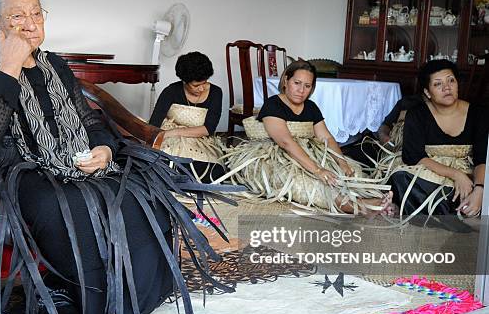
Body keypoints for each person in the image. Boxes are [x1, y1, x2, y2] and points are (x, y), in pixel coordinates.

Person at [0, 0, 232, 314]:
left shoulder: (56, 66)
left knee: (141, 192)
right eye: (18, 16)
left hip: (78, 160)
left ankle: (138, 295)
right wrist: (10, 64)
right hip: (23, 172)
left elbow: (89, 119)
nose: (31, 24)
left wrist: (103, 148)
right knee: (69, 206)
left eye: (37, 13)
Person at [223, 60, 392, 214]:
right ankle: (360, 206)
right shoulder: (273, 104)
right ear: (286, 81)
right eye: (296, 83)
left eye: (307, 86)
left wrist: (342, 163)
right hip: (276, 157)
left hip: (309, 152)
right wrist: (318, 170)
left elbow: (327, 137)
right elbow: (285, 142)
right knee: (309, 183)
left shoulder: (311, 107)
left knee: (353, 174)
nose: (301, 90)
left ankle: (372, 198)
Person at [389, 60, 487, 218]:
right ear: (427, 92)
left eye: (451, 80)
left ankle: (453, 208)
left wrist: (479, 189)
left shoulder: (478, 114)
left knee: (475, 194)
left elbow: (483, 158)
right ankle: (451, 213)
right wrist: (456, 175)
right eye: (437, 84)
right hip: (431, 171)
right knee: (400, 178)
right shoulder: (417, 114)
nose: (447, 87)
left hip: (469, 175)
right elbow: (414, 156)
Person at [149, 52, 225, 182]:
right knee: (159, 163)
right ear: (184, 81)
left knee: (215, 172)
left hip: (200, 140)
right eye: (196, 85)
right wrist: (162, 137)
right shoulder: (171, 91)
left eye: (204, 82)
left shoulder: (216, 92)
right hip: (170, 140)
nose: (201, 88)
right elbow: (154, 123)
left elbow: (208, 128)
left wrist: (174, 132)